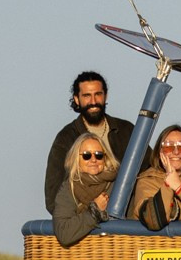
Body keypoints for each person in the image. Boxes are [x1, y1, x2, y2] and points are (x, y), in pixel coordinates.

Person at [44, 71, 135, 214]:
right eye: (87, 96)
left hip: (126, 223)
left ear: (105, 96)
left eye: (98, 94)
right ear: (77, 99)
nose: (93, 101)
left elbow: (149, 170)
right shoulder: (66, 138)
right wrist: (87, 216)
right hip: (87, 227)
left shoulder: (126, 131)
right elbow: (53, 198)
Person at [51, 128, 117, 246]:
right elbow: (64, 233)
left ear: (105, 158)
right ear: (76, 158)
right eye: (86, 155)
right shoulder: (69, 188)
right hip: (83, 257)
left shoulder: (118, 185)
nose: (93, 160)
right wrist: (94, 210)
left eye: (99, 155)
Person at [132, 122, 181, 230]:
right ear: (160, 152)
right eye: (168, 147)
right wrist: (169, 183)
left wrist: (178, 186)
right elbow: (152, 218)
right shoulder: (147, 180)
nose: (176, 152)